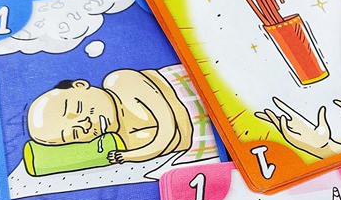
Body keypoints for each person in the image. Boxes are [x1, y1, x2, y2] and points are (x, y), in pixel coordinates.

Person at [26, 65, 216, 164]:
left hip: (207, 91)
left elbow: (167, 127)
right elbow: (176, 144)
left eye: (77, 109)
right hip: (211, 138)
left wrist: (129, 156)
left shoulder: (119, 82)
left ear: (80, 85)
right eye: (75, 133)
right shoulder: (129, 142)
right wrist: (129, 154)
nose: (85, 124)